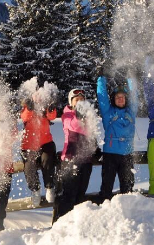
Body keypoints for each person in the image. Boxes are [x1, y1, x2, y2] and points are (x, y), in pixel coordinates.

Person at [54, 89, 98, 222]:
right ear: (71, 102)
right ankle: (60, 225)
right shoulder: (67, 115)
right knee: (68, 196)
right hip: (71, 160)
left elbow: (92, 135)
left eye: (81, 100)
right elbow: (74, 126)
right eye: (76, 99)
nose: (79, 102)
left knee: (80, 196)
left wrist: (95, 148)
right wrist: (82, 118)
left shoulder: (88, 117)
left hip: (86, 161)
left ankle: (75, 225)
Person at [97, 72, 138, 201]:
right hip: (110, 154)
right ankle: (104, 212)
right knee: (106, 188)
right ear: (113, 100)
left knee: (128, 189)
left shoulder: (131, 112)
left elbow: (135, 96)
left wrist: (130, 78)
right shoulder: (108, 112)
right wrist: (101, 78)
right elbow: (102, 97)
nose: (120, 99)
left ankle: (128, 213)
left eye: (123, 97)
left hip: (127, 154)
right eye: (117, 97)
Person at [20, 94, 58, 207]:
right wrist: (29, 108)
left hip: (45, 142)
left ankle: (49, 186)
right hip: (29, 145)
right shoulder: (26, 107)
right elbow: (24, 117)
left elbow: (52, 116)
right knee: (29, 167)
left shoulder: (45, 106)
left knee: (48, 160)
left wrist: (51, 109)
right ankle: (35, 190)